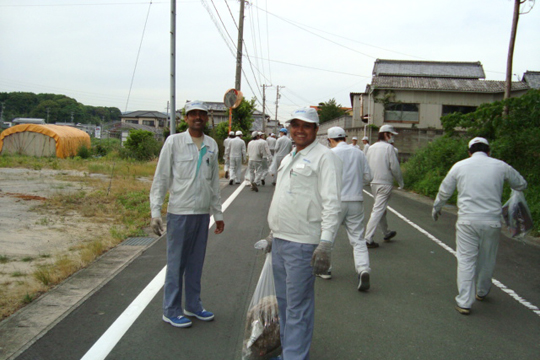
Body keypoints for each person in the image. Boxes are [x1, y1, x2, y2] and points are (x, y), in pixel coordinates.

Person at [266, 107, 342, 359]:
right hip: (280, 240)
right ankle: (290, 352)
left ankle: (294, 356)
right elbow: (283, 196)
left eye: (306, 125)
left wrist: (325, 244)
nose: (299, 130)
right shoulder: (290, 156)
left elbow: (332, 202)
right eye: (295, 125)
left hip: (303, 243)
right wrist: (272, 232)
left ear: (316, 130)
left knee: (298, 307)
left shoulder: (324, 157)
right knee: (285, 303)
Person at [150, 100, 225, 328]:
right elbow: (161, 178)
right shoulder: (174, 142)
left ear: (207, 118)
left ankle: (193, 305)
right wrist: (155, 212)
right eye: (193, 114)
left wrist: (218, 214)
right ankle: (170, 310)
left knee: (195, 263)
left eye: (201, 114)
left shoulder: (211, 144)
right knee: (176, 264)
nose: (197, 118)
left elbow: (214, 182)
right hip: (180, 212)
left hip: (202, 214)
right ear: (186, 118)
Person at [432, 137, 527, 315]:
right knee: (487, 258)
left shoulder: (459, 166)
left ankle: (464, 302)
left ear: (469, 152)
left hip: (467, 220)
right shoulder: (500, 166)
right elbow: (521, 183)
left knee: (466, 260)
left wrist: (437, 207)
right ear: (489, 151)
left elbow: (445, 190)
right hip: (492, 221)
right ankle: (482, 291)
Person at [325, 126, 373, 290]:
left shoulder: (330, 154)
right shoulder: (358, 153)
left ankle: (326, 269)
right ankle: (363, 269)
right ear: (345, 137)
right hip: (356, 200)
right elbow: (369, 176)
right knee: (358, 239)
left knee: (328, 237)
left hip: (335, 201)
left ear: (330, 140)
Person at [364, 124, 404, 248]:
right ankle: (368, 238)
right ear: (386, 134)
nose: (393, 138)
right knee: (378, 210)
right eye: (391, 135)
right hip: (385, 183)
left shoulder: (371, 148)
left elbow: (366, 163)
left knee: (381, 209)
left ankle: (386, 232)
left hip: (373, 182)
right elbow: (395, 167)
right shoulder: (389, 148)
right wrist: (401, 182)